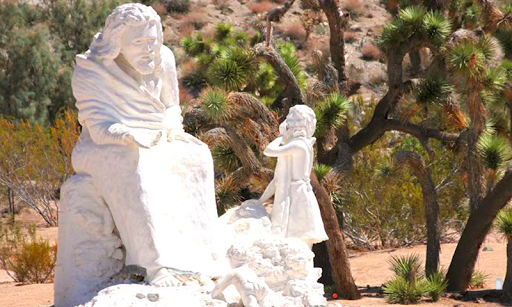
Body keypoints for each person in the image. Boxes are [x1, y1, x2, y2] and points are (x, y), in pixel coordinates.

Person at [59, 3, 218, 288]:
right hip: (103, 145)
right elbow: (96, 125)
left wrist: (173, 128)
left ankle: (204, 259)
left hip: (156, 137)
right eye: (139, 43)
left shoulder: (163, 59)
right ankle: (154, 266)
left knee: (197, 155)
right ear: (117, 43)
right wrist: (126, 136)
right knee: (133, 163)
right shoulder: (91, 70)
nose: (149, 49)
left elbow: (171, 107)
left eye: (153, 41)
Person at [258, 105, 328, 249]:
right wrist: (260, 201)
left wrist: (283, 136)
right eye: (293, 123)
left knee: (300, 241)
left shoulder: (299, 145)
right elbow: (277, 180)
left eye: (300, 123)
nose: (296, 127)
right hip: (291, 194)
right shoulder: (294, 148)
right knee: (293, 242)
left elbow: (269, 151)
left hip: (298, 197)